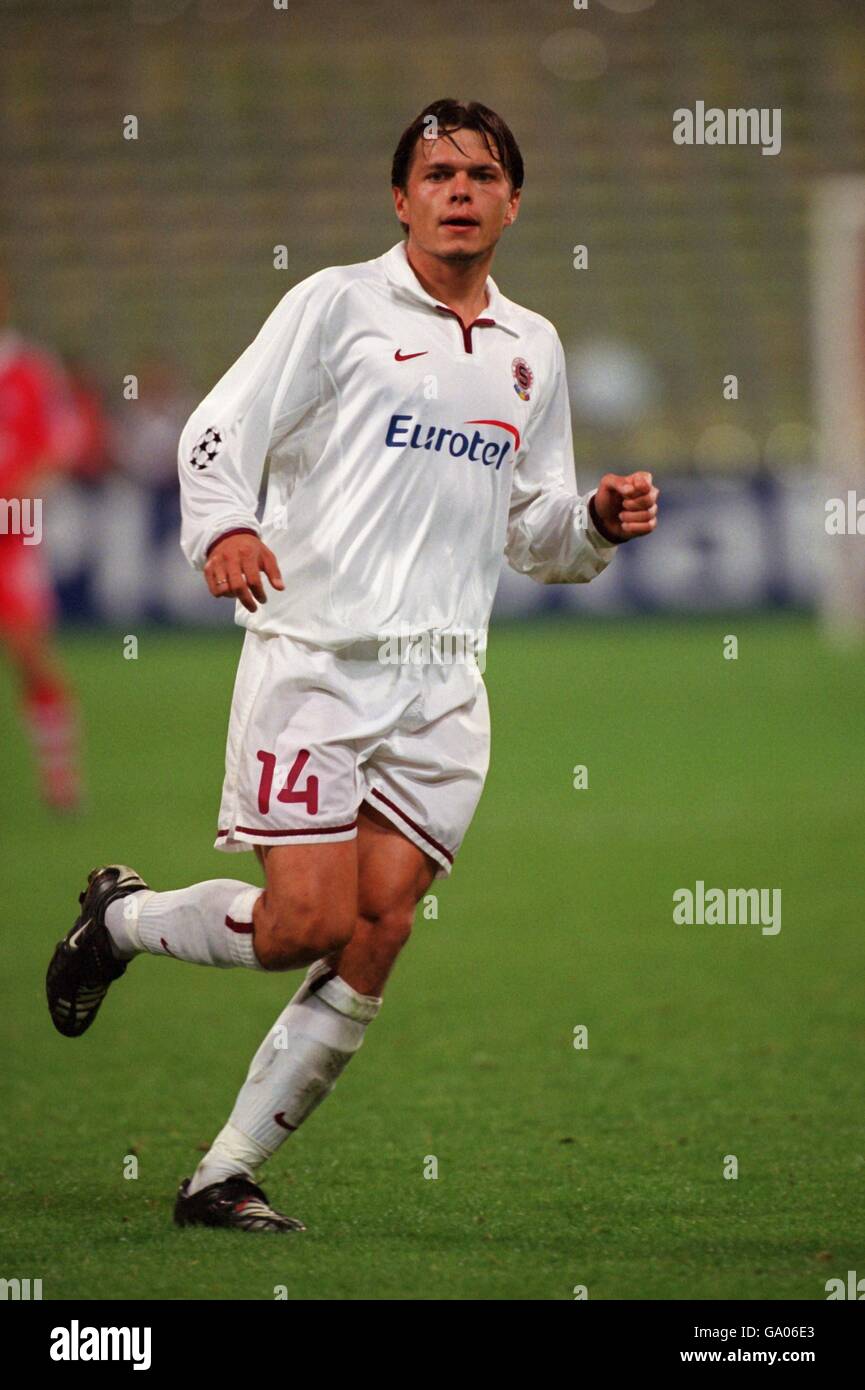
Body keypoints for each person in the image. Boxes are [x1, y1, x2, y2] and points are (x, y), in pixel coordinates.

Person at [46, 99, 659, 1233]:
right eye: (436, 173)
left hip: (442, 686)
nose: (458, 188)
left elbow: (533, 533)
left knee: (381, 924)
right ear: (401, 198)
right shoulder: (336, 305)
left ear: (513, 202)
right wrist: (223, 526)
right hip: (317, 662)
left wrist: (596, 523)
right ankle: (120, 920)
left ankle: (219, 1174)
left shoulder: (533, 348)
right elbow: (218, 430)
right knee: (302, 924)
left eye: (480, 173)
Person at [0, 278, 92, 811]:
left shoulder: (29, 369)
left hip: (13, 533)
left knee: (29, 653)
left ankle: (60, 776)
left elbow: (63, 442)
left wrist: (26, 487)